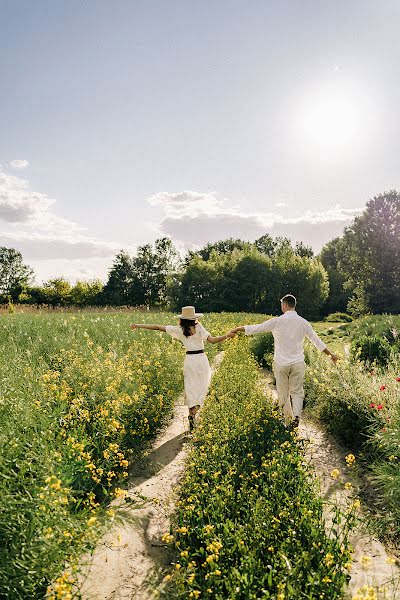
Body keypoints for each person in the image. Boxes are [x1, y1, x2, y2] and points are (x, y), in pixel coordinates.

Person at [229, 294, 338, 427]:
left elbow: (257, 328)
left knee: (283, 393)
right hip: (297, 363)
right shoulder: (303, 322)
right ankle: (297, 416)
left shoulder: (277, 321)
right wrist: (330, 355)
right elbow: (316, 341)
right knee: (297, 391)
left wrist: (237, 329)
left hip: (281, 363)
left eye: (282, 305)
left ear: (285, 305)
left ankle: (288, 421)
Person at [130, 306, 233, 431]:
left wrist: (139, 325)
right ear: (194, 318)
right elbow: (213, 340)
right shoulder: (198, 327)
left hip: (189, 361)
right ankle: (195, 411)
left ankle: (191, 414)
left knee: (190, 388)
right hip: (201, 359)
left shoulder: (179, 330)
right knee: (204, 386)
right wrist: (227, 336)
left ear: (182, 319)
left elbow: (157, 326)